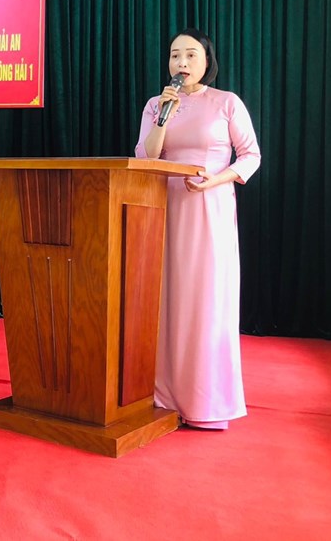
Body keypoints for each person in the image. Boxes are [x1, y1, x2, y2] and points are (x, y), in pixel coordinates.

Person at [135, 28, 261, 430]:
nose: (182, 63)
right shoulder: (156, 104)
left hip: (209, 207)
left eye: (191, 55)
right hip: (165, 206)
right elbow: (146, 156)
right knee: (166, 296)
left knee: (204, 298)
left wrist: (215, 180)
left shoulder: (227, 102)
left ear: (207, 61)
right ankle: (162, 392)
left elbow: (251, 155)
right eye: (175, 55)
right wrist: (163, 116)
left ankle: (205, 401)